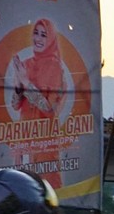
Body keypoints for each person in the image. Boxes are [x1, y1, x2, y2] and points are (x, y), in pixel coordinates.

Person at [9, 18, 70, 189]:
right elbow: (15, 104)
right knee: (20, 188)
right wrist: (19, 86)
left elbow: (49, 109)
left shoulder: (56, 67)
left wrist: (26, 83)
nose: (38, 38)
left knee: (46, 190)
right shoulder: (26, 64)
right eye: (36, 33)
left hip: (45, 140)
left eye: (44, 35)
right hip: (24, 136)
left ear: (51, 39)